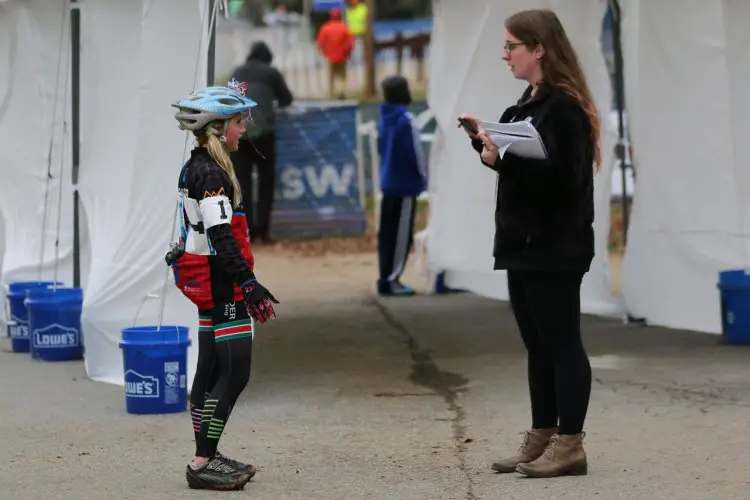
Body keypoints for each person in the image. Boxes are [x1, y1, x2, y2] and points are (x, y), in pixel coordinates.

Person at [458, 9, 600, 478]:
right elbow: (525, 172)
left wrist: (510, 162)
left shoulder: (564, 108)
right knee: (537, 345)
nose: (505, 56)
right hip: (522, 243)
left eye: (511, 46)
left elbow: (566, 180)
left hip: (555, 246)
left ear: (538, 48)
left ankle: (570, 443)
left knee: (562, 343)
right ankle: (542, 435)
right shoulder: (525, 105)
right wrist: (492, 153)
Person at [169, 79, 280, 491]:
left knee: (210, 369)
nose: (244, 129)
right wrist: (249, 284)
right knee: (234, 373)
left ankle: (207, 455)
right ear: (218, 128)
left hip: (209, 281)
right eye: (238, 121)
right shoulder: (212, 173)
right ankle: (202, 460)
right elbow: (221, 235)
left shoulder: (196, 166)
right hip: (222, 284)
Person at [230, 41, 293, 244]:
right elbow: (287, 99)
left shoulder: (237, 72)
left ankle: (246, 232)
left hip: (240, 134)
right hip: (264, 134)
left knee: (242, 185)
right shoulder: (271, 73)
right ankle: (263, 233)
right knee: (266, 183)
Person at [376, 75, 427, 296]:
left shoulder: (383, 118)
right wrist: (423, 178)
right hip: (405, 185)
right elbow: (416, 153)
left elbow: (379, 148)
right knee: (401, 235)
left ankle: (385, 277)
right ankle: (391, 279)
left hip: (388, 182)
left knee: (387, 234)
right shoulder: (406, 120)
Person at [316, 8, 355, 100]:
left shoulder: (325, 28)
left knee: (331, 76)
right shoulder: (345, 28)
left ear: (330, 17)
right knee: (342, 76)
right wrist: (348, 53)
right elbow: (351, 43)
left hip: (330, 57)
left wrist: (324, 53)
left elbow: (320, 44)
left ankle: (332, 93)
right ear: (340, 17)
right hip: (342, 56)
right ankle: (341, 91)